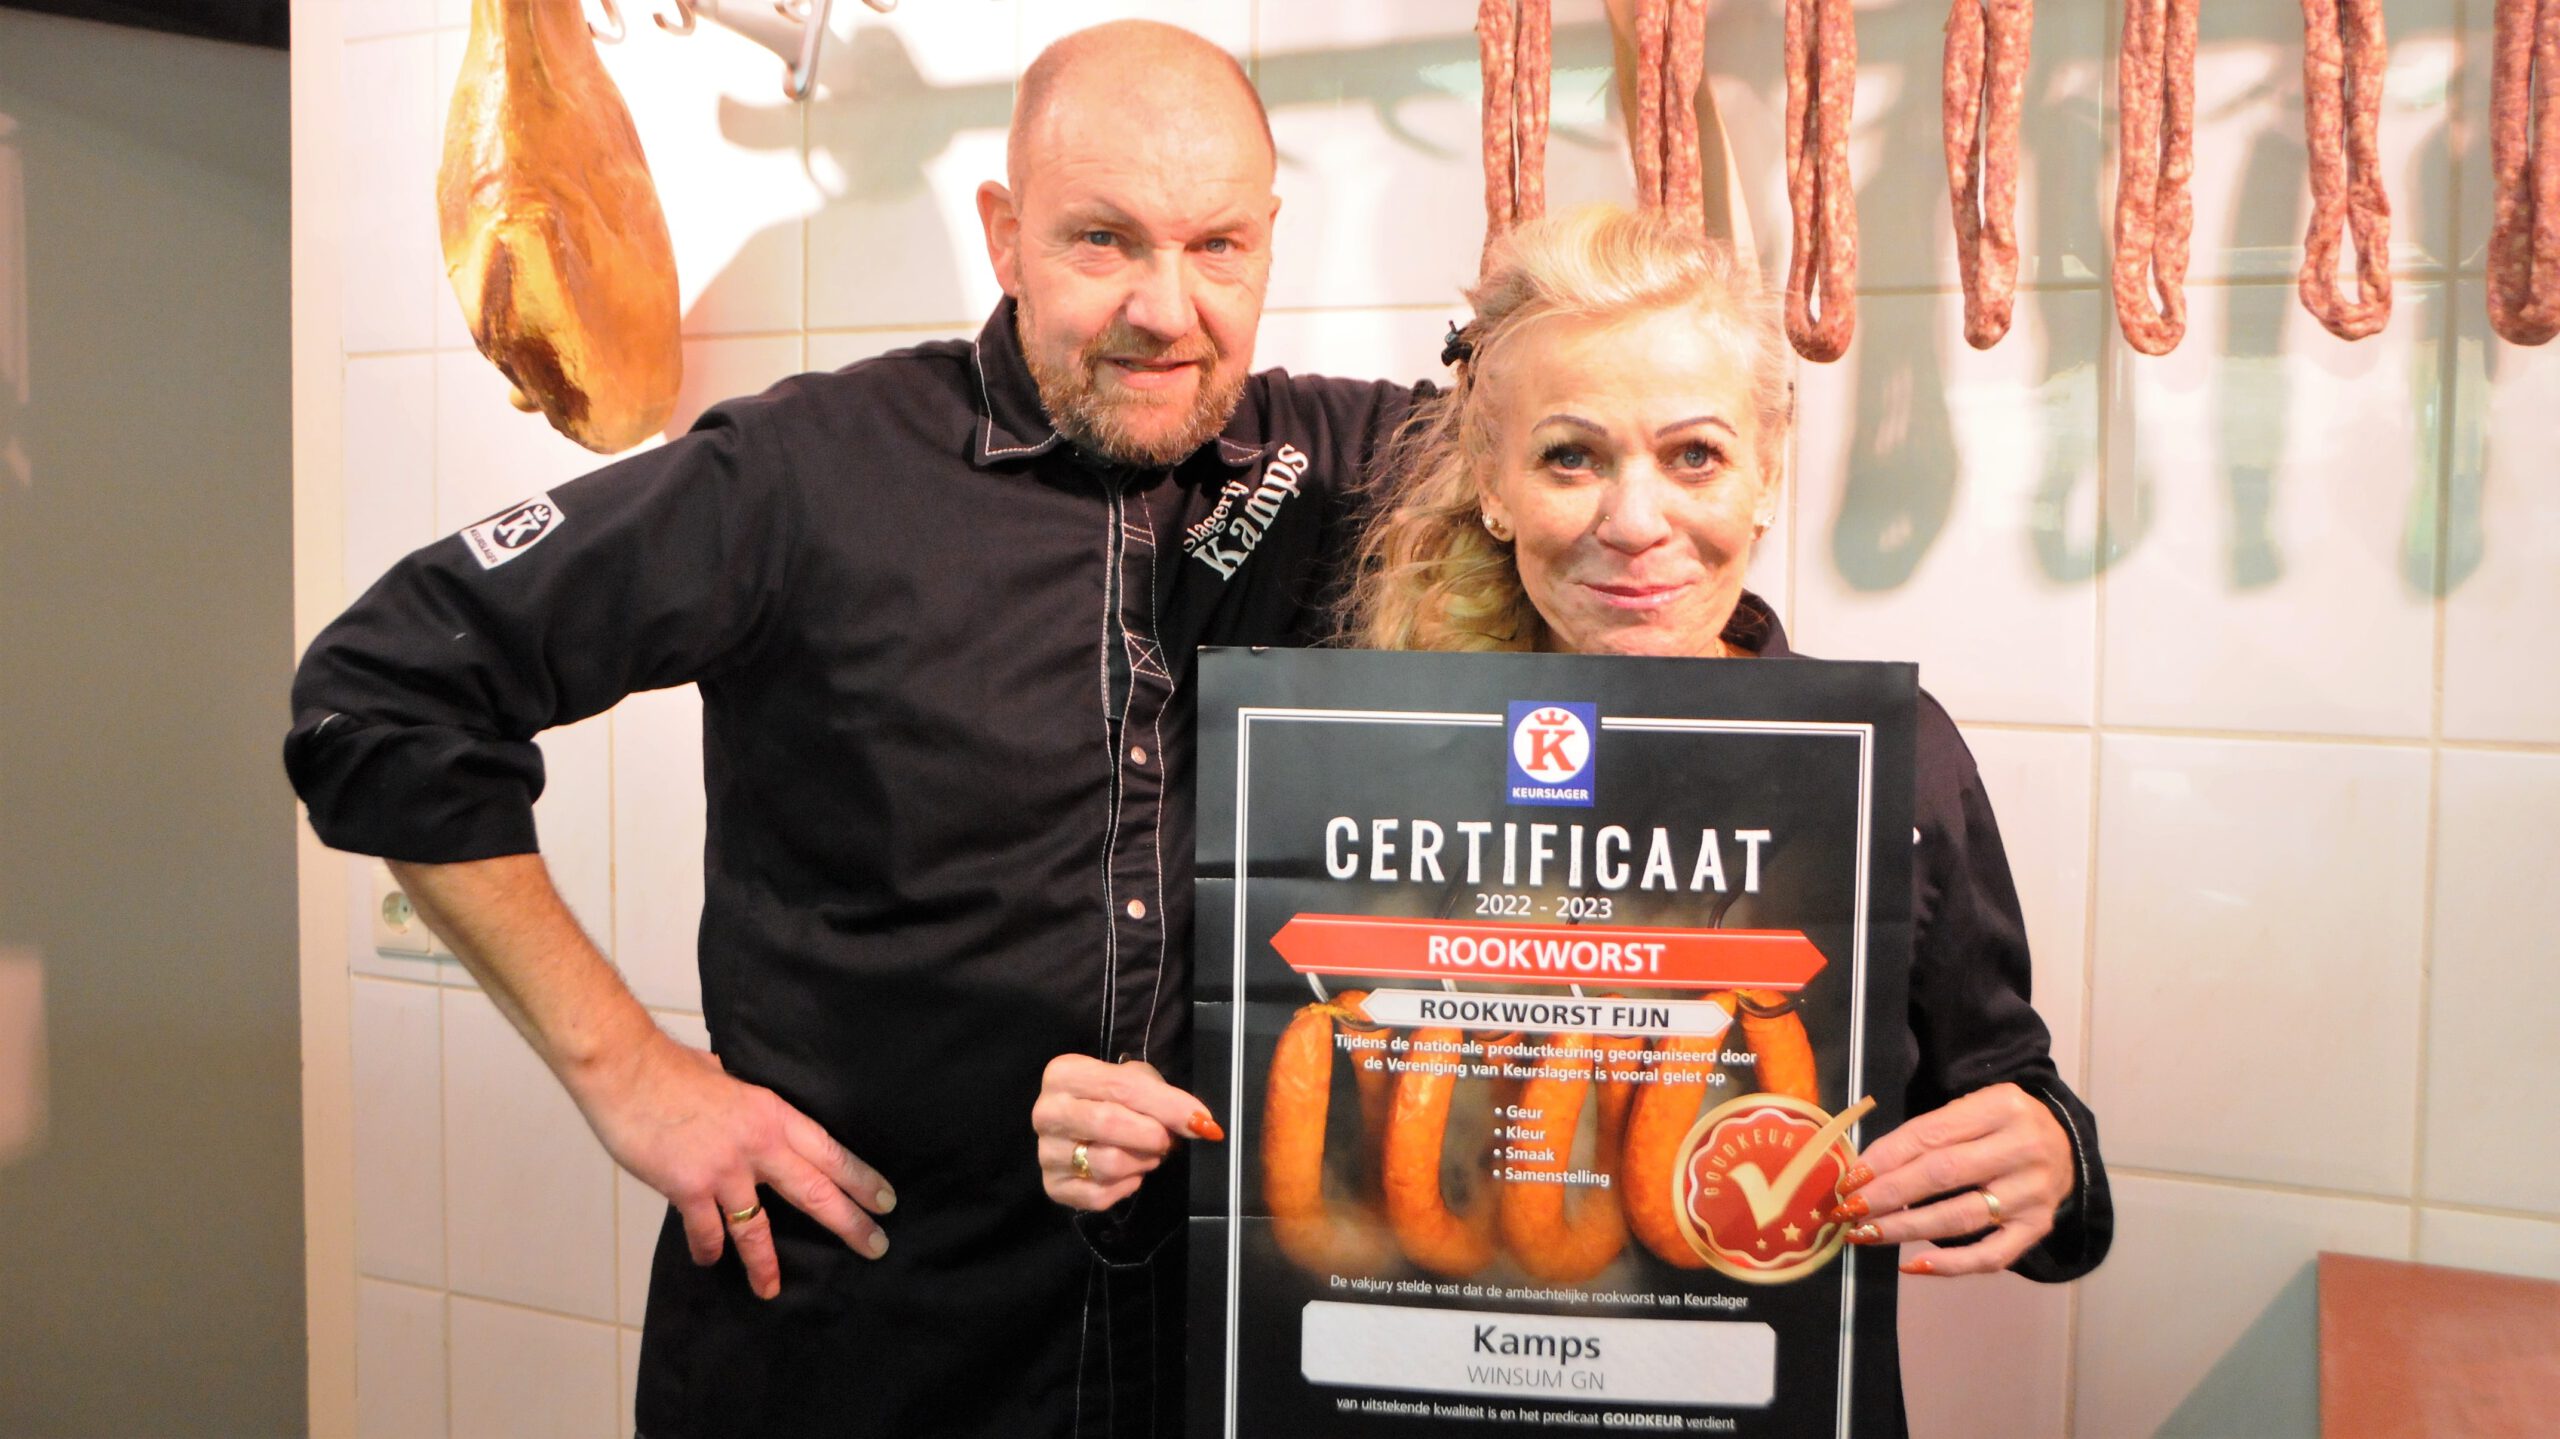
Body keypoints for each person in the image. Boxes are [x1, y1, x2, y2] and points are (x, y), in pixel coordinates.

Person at [287, 21, 1424, 1439]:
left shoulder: (1340, 463)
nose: (1167, 306)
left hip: (1194, 1359)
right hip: (854, 1341)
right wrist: (629, 1074)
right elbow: (383, 687)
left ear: (1268, 242)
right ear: (1004, 236)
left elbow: (1604, 473)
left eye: (1219, 247)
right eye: (1103, 240)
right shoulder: (806, 472)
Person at [1040, 206, 2110, 1429]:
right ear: (1493, 484)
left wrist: (2048, 1157)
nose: (1635, 520)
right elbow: (1243, 1149)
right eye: (1569, 458)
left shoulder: (1889, 765)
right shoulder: (1347, 769)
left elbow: (2013, 1106)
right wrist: (1111, 1143)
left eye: (1694, 455)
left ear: (1765, 472)